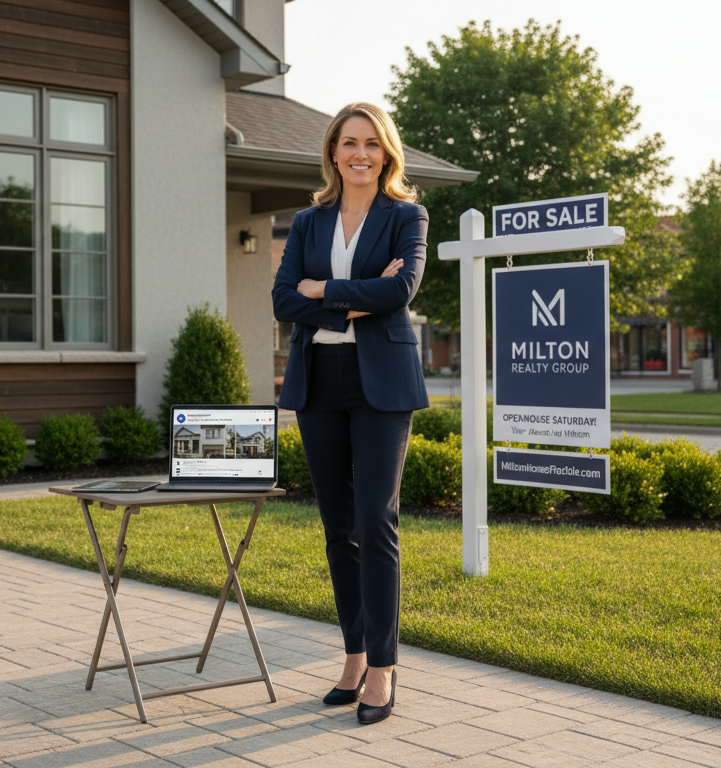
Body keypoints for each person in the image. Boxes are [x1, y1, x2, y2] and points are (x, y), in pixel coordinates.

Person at [271, 102, 429, 725]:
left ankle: (385, 670)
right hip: (320, 380)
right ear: (333, 153)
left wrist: (323, 291)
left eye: (370, 143)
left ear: (386, 152)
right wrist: (349, 302)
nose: (359, 153)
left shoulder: (406, 216)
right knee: (339, 527)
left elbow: (399, 291)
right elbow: (284, 297)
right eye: (348, 143)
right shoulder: (309, 222)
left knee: (375, 519)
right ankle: (354, 655)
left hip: (381, 383)